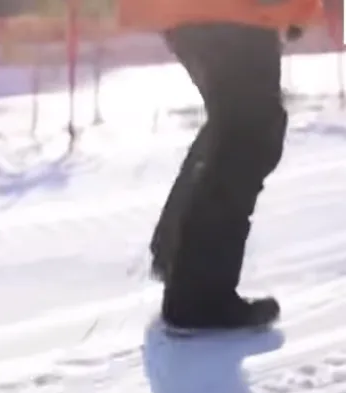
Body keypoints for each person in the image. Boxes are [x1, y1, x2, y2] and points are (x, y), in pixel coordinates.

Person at [118, 0, 325, 334]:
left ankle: (178, 258)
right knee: (249, 136)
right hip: (235, 11)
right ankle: (198, 297)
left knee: (233, 127)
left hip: (199, 11)